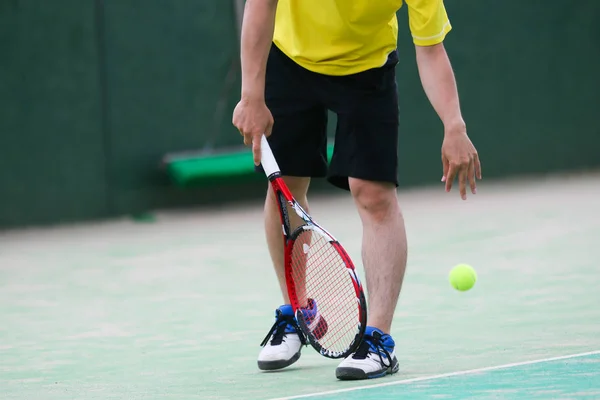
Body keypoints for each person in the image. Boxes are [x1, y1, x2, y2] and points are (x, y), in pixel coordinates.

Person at [232, 0, 482, 381]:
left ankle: (378, 339)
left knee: (374, 194)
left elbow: (430, 48)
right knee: (286, 191)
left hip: (368, 70)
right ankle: (297, 313)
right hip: (290, 59)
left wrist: (454, 124)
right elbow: (261, 4)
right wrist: (252, 94)